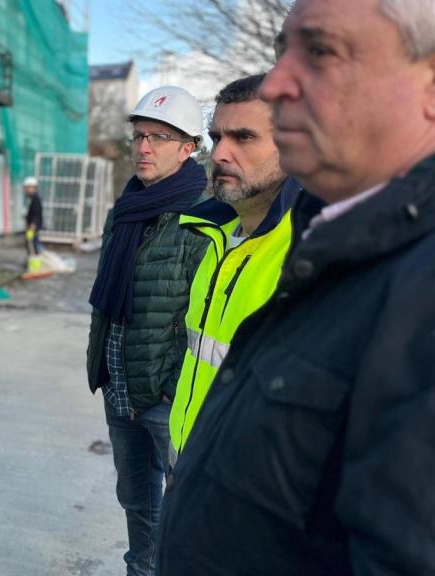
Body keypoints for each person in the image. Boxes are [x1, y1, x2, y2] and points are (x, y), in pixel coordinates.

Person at [157, 0, 435, 573]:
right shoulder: (331, 241)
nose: (280, 82)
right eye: (283, 53)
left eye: (321, 51)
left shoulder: (413, 286)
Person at [85, 85, 209, 576]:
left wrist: (170, 385)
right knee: (137, 503)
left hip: (166, 398)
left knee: (190, 507)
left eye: (159, 137)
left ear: (187, 148)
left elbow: (205, 316)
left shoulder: (206, 216)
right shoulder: (123, 213)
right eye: (139, 136)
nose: (144, 148)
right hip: (119, 388)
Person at [169, 74, 299, 456]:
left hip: (243, 489)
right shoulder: (216, 236)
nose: (219, 154)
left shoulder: (312, 250)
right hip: (184, 453)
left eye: (244, 137)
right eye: (215, 138)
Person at [23, 175, 44, 259]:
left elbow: (36, 214)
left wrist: (32, 226)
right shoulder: (32, 199)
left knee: (33, 246)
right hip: (31, 227)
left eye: (27, 188)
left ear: (32, 187)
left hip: (33, 228)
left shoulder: (36, 199)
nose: (25, 190)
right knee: (31, 245)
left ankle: (35, 265)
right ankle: (32, 262)